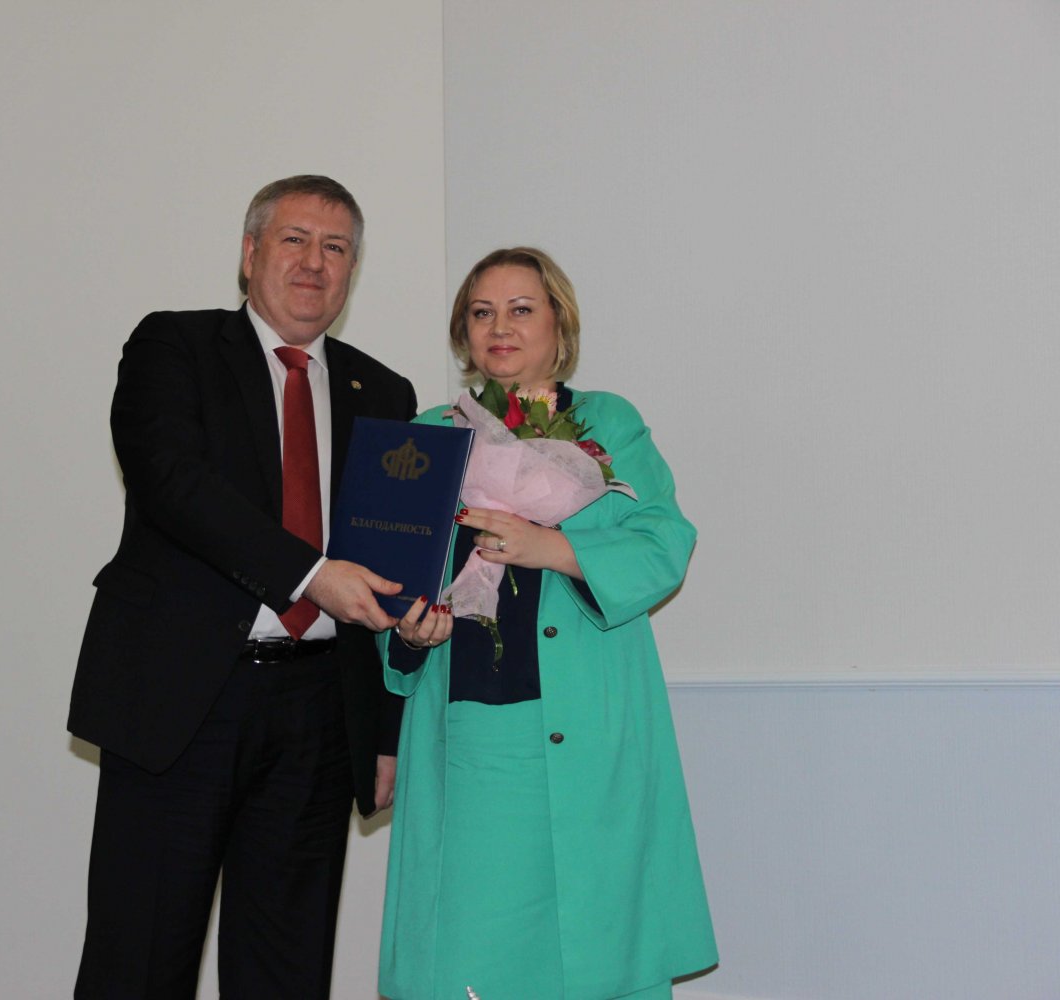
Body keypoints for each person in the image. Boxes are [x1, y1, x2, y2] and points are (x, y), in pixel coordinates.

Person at [69, 175, 419, 999]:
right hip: (183, 703)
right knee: (138, 965)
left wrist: (384, 730)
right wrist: (310, 576)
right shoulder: (173, 347)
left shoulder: (384, 393)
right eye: (295, 240)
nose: (314, 262)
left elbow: (389, 567)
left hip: (318, 717)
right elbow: (172, 483)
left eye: (336, 248)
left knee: (286, 973)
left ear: (353, 270)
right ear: (250, 253)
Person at [378, 247, 718, 999]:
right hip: (468, 734)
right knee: (469, 946)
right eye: (482, 312)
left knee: (592, 949)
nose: (500, 327)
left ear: (559, 325)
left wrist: (551, 548)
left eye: (521, 309)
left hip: (586, 726)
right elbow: (389, 579)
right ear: (463, 333)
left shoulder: (607, 422)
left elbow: (664, 543)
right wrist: (407, 633)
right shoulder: (427, 435)